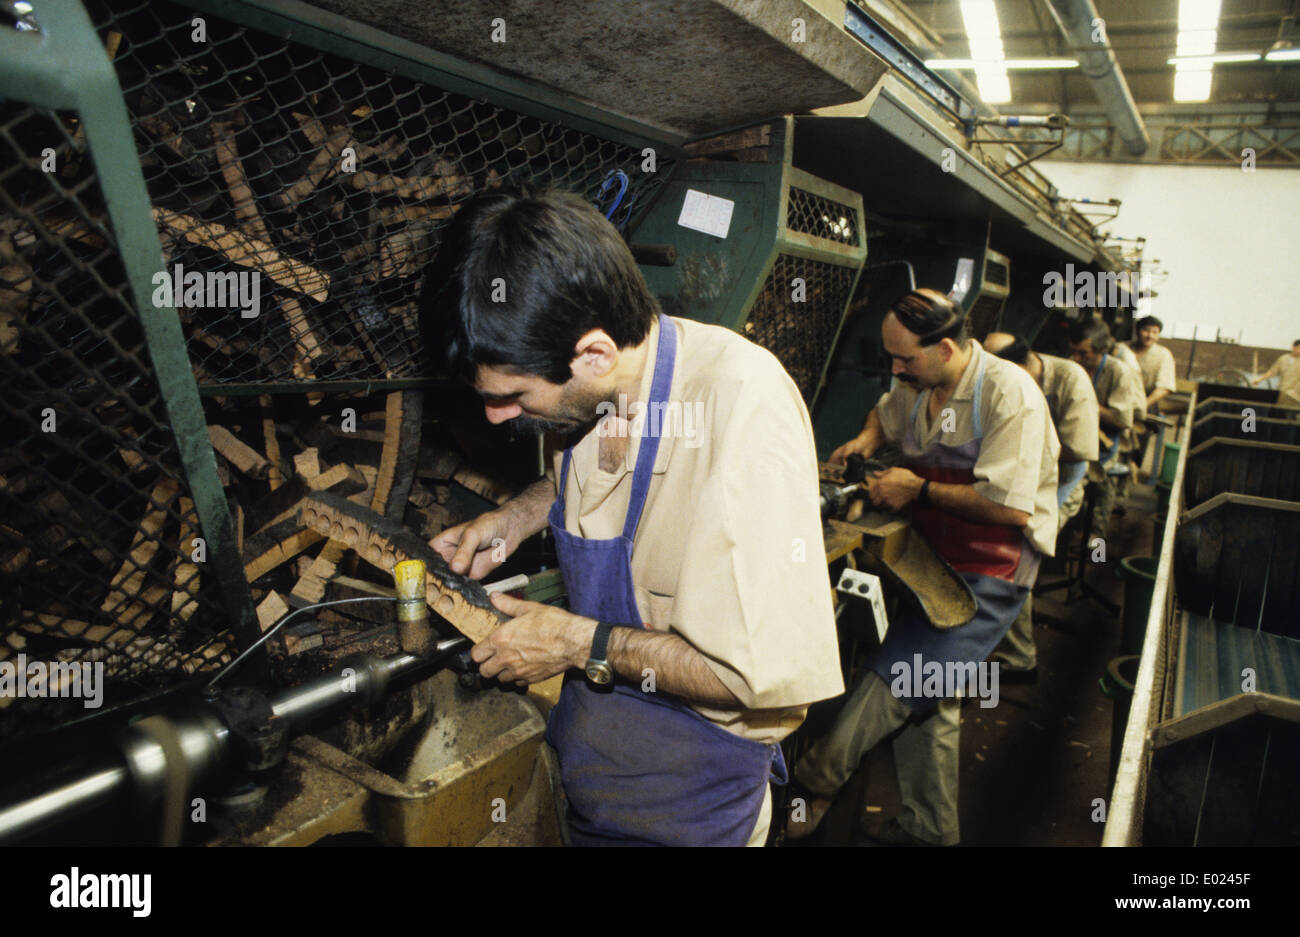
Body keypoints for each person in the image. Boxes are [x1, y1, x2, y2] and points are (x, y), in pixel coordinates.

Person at [418, 189, 843, 846]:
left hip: (693, 801)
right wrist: (511, 519)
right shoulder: (595, 393)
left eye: (511, 397)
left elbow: (747, 677)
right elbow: (576, 479)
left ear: (593, 353)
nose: (496, 418)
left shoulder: (740, 409)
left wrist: (574, 643)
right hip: (598, 763)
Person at [788, 290, 1058, 845]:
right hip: (929, 551)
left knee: (896, 683)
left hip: (992, 568)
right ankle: (931, 830)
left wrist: (918, 488)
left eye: (905, 358)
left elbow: (1011, 506)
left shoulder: (1008, 394)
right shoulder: (917, 386)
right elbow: (884, 417)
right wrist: (864, 440)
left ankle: (811, 786)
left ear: (947, 348)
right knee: (933, 700)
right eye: (892, 358)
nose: (895, 369)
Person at [984, 332, 1099, 679]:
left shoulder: (1070, 379)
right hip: (1024, 482)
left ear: (1022, 363)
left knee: (1017, 554)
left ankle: (1020, 657)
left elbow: (1079, 457)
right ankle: (995, 640)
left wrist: (1038, 516)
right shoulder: (1010, 381)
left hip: (1063, 482)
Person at [1068, 318, 1146, 541]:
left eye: (1084, 353)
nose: (1077, 359)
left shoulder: (1118, 372)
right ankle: (1069, 534)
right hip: (1073, 438)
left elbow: (1122, 419)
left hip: (1105, 443)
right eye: (1074, 352)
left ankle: (1094, 538)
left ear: (1101, 349)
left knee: (1097, 484)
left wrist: (1087, 403)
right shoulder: (1072, 365)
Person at [1251, 339, 1300, 408]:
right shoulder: (1283, 359)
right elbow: (1272, 371)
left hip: (1295, 396)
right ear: (1294, 347)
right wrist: (1259, 380)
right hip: (1282, 392)